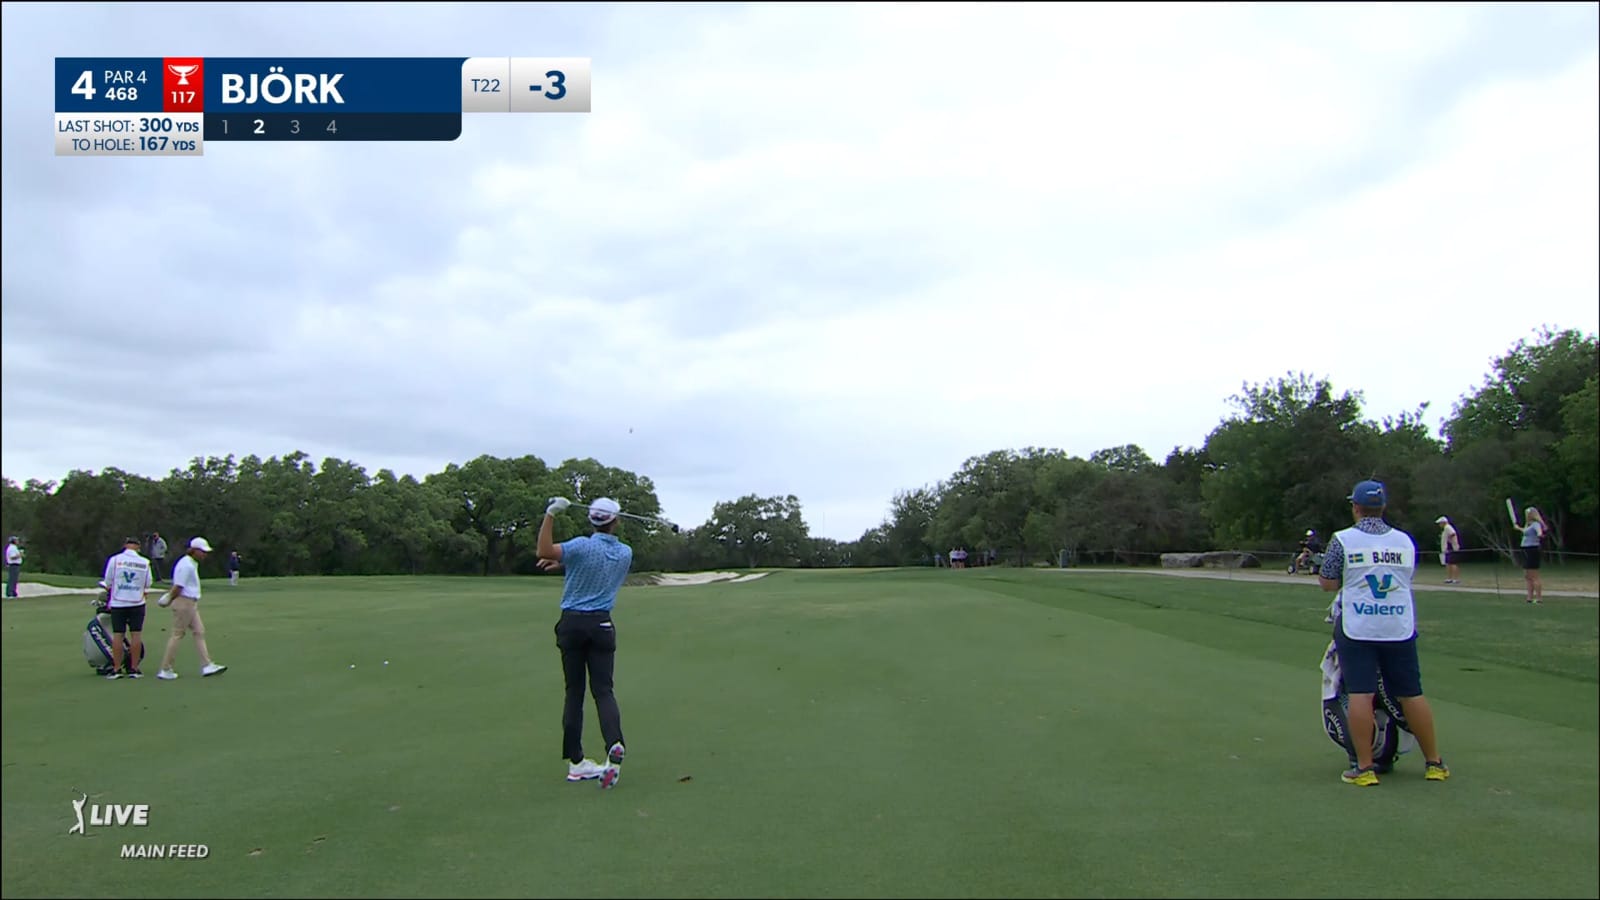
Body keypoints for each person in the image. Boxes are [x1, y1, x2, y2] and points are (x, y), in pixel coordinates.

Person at [1318, 479, 1448, 786]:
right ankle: (1434, 763)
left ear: (1356, 508)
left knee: (1361, 694)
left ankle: (1365, 769)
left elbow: (1328, 582)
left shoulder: (1343, 539)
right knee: (1411, 694)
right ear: (1383, 507)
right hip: (1398, 625)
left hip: (1358, 625)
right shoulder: (1404, 541)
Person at [537, 497, 634, 790]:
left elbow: (542, 550)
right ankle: (614, 743)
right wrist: (564, 563)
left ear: (591, 520)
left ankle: (577, 762)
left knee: (574, 693)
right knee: (603, 691)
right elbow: (595, 568)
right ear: (615, 521)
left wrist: (551, 514)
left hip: (573, 625)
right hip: (602, 625)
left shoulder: (580, 546)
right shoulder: (625, 553)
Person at [155, 537, 227, 680]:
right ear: (194, 551)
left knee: (199, 631)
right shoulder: (186, 565)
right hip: (184, 602)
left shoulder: (192, 563)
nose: (204, 555)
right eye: (202, 552)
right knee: (177, 634)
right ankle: (165, 669)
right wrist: (168, 599)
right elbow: (178, 587)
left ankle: (207, 665)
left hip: (191, 602)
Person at [102, 537, 153, 679]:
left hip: (118, 602)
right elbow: (148, 583)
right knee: (136, 634)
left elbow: (108, 581)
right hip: (137, 602)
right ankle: (134, 669)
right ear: (138, 547)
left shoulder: (115, 560)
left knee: (118, 635)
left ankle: (117, 669)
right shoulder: (144, 562)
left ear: (125, 545)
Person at [1510, 505, 1547, 604]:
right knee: (1527, 575)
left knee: (1534, 575)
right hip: (1526, 550)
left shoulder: (1536, 524)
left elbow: (1539, 533)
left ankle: (1539, 598)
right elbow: (1526, 532)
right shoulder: (1528, 525)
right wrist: (1518, 528)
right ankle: (1529, 597)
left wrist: (1540, 535)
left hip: (1532, 550)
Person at [1435, 516, 1462, 584]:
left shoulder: (1448, 527)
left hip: (1452, 548)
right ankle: (1450, 578)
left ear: (1443, 522)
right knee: (1448, 564)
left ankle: (1455, 579)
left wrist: (1450, 541)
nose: (1439, 525)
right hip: (1447, 549)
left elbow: (1453, 534)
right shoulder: (1445, 529)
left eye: (1440, 523)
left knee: (1453, 563)